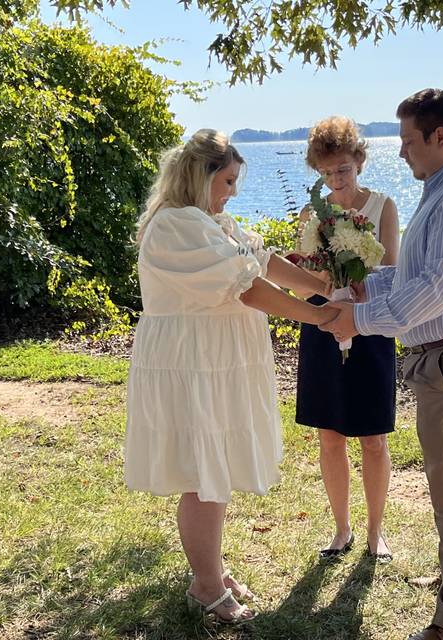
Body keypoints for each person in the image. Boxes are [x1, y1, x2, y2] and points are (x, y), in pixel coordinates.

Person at [320, 89, 443, 640]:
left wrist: (356, 321)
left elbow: (438, 290)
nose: (402, 152)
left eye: (409, 140)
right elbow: (416, 277)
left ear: (440, 137)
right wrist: (364, 288)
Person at [124, 129, 337, 624]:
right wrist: (321, 317)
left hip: (216, 360)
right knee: (204, 472)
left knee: (214, 466)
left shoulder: (213, 223)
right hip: (192, 362)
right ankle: (205, 584)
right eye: (227, 180)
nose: (233, 191)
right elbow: (247, 288)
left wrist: (322, 285)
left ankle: (211, 571)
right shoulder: (176, 225)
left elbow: (263, 264)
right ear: (200, 176)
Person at [293, 116, 400, 562]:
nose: (336, 180)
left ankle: (376, 532)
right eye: (327, 173)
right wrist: (313, 271)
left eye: (344, 169)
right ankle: (342, 529)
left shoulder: (382, 207)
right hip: (322, 326)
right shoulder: (312, 214)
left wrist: (363, 287)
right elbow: (303, 285)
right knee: (330, 436)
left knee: (373, 438)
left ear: (359, 161)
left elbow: (393, 277)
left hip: (369, 326)